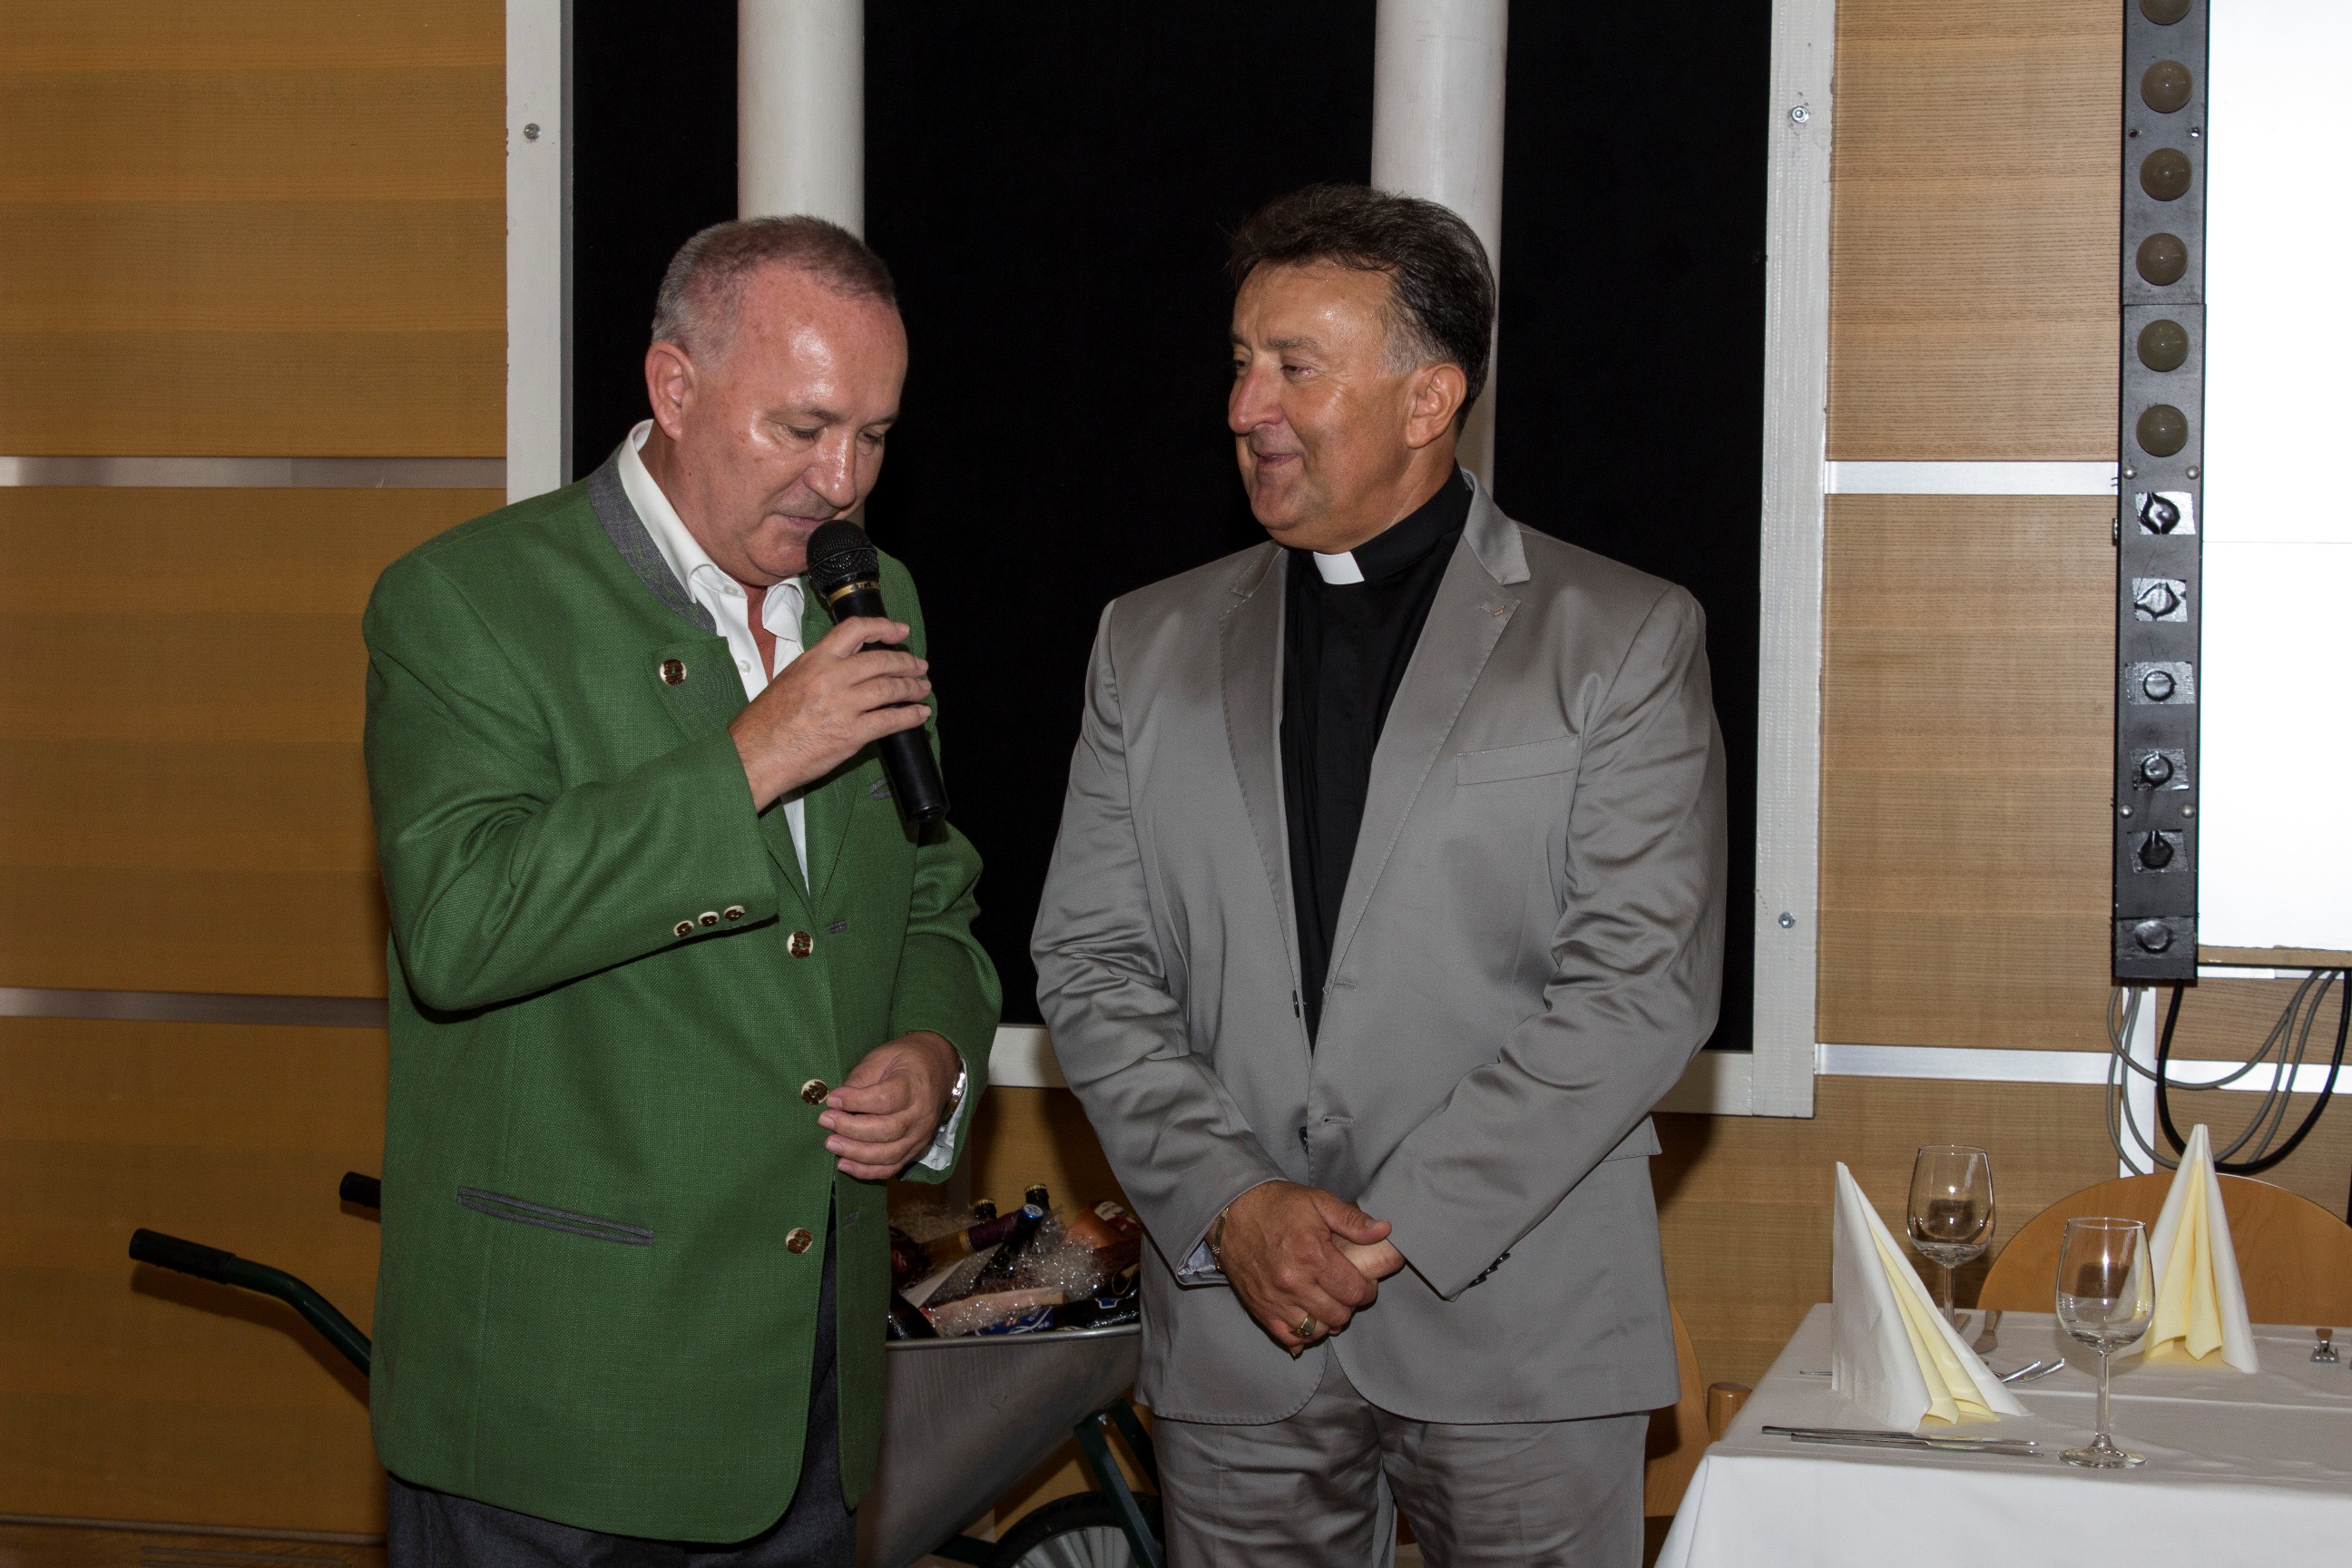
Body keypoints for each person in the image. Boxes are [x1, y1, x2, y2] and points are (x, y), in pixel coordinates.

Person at [1032, 184, 1727, 1565]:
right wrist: (1236, 1205)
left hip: (1519, 1320)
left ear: (1429, 400)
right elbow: (1089, 962)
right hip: (1238, 1321)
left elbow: (1640, 990)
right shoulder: (1144, 643)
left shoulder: (1622, 637)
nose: (1248, 406)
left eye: (1296, 367)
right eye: (1241, 362)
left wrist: (1381, 1232)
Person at [362, 216, 999, 1566]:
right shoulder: (467, 602)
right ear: (673, 387)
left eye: (875, 436)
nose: (843, 482)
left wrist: (933, 1051)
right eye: (803, 429)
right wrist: (754, 758)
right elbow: (460, 928)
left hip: (806, 1395)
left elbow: (933, 888)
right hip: (555, 1402)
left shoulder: (872, 595)